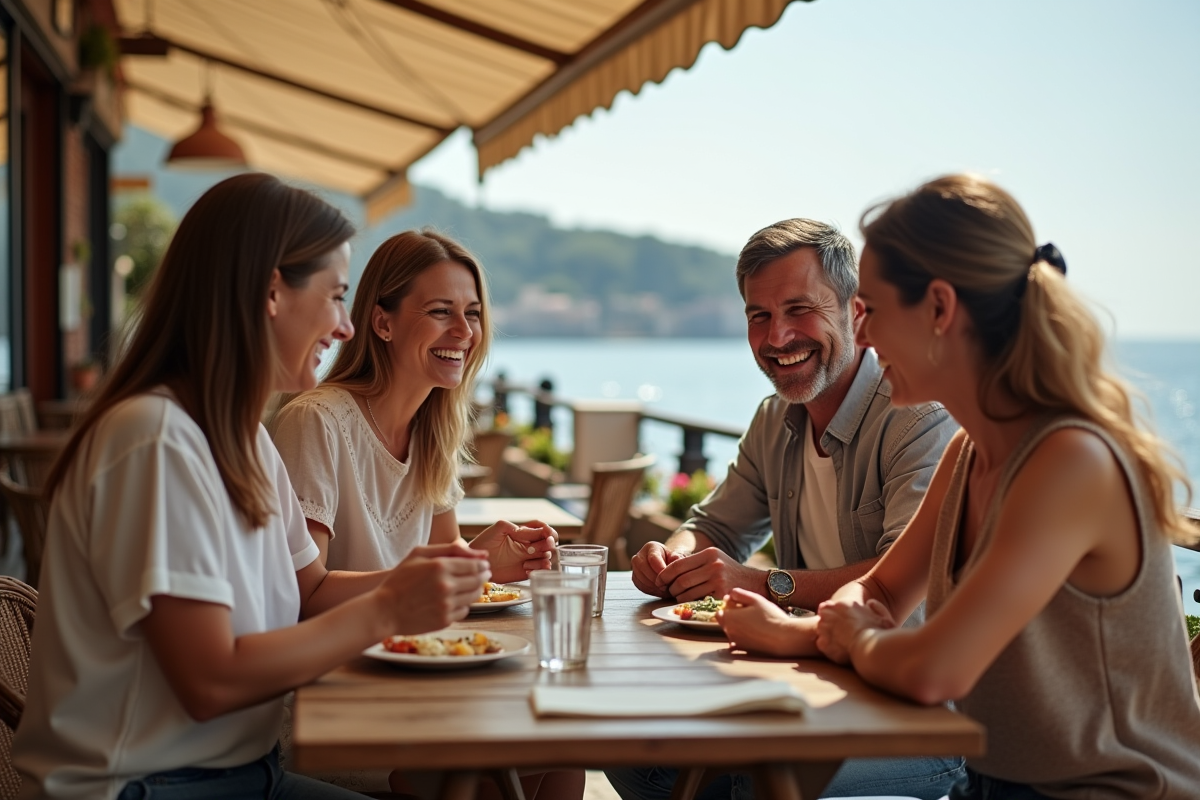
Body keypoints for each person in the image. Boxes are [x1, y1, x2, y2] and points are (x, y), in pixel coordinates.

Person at [13, 174, 491, 800]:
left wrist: (421, 579)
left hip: (240, 773)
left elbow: (313, 590)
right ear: (272, 293)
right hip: (143, 786)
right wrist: (389, 608)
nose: (344, 327)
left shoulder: (245, 442)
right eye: (335, 297)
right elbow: (209, 681)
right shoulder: (155, 439)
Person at [722, 175, 1200, 798]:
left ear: (940, 310)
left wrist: (849, 634)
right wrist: (807, 629)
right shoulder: (969, 450)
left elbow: (932, 668)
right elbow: (886, 591)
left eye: (874, 311)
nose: (860, 337)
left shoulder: (1069, 460)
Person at [610, 219, 964, 800]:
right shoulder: (775, 419)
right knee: (636, 756)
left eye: (800, 310)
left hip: (927, 723)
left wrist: (763, 584)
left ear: (857, 312)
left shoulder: (919, 416)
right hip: (817, 684)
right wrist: (670, 558)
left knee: (743, 778)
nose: (777, 338)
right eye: (759, 316)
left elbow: (905, 597)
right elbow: (716, 526)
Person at [269, 230, 578, 800]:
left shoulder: (434, 429)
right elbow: (302, 598)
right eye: (440, 312)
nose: (463, 332)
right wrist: (437, 576)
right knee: (493, 781)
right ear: (382, 322)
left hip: (415, 676)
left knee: (563, 760)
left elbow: (443, 589)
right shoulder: (316, 422)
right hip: (334, 695)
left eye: (473, 313)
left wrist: (483, 560)